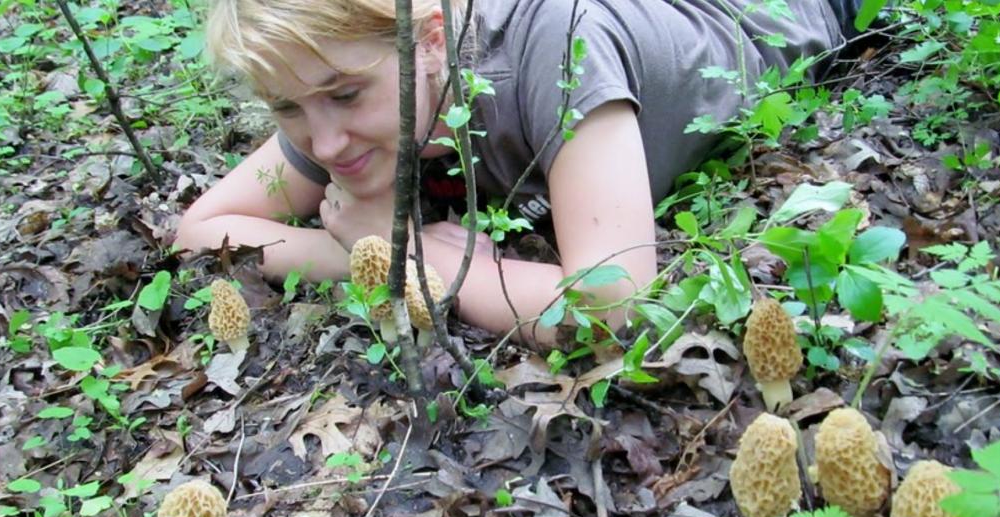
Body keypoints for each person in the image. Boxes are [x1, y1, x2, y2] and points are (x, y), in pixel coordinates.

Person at [177, 0, 859, 344]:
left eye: (345, 95)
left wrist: (420, 263)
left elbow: (617, 302)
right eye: (287, 107)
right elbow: (200, 228)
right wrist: (357, 249)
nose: (323, 145)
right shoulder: (347, 90)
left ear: (432, 39)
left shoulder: (557, 54)